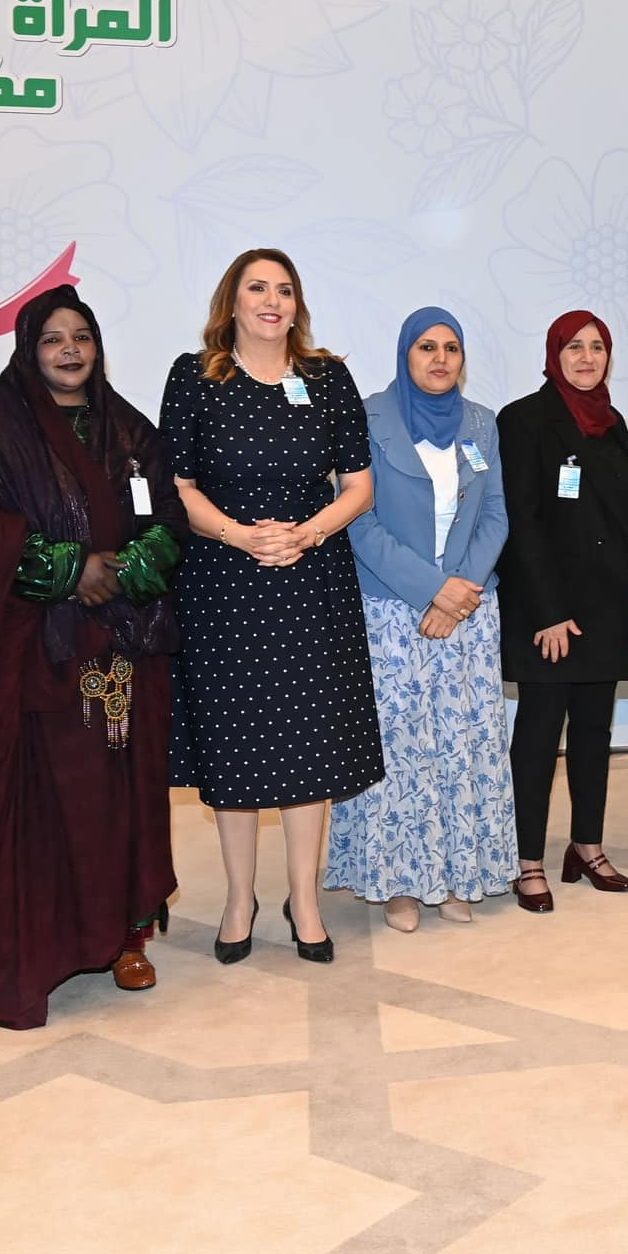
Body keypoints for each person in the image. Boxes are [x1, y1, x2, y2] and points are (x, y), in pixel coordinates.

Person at [0, 286, 183, 1026]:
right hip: (38, 661)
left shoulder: (129, 430)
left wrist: (125, 570)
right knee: (52, 805)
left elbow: (170, 520)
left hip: (124, 653)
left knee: (123, 801)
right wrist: (70, 569)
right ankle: (46, 949)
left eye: (82, 336)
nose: (70, 349)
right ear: (29, 351)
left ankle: (127, 941)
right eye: (53, 338)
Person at [162, 249, 382, 966]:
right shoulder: (195, 377)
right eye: (257, 288)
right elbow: (179, 487)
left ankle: (304, 899)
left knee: (310, 743)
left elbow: (358, 487)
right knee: (235, 745)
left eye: (285, 290)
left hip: (311, 580)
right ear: (232, 301)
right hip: (223, 582)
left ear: (297, 305)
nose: (272, 301)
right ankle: (239, 899)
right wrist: (238, 534)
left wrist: (307, 533)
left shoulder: (327, 378)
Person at [328, 308, 516, 930]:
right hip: (391, 610)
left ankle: (460, 873)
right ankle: (399, 884)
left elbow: (496, 514)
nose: (440, 359)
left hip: (469, 612)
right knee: (399, 749)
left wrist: (459, 593)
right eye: (426, 347)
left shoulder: (481, 423)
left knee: (463, 746)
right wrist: (432, 590)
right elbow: (358, 519)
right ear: (405, 354)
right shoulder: (367, 417)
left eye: (451, 348)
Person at [498, 310, 628, 908]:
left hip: (605, 610)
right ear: (554, 354)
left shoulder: (611, 422)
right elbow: (522, 522)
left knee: (595, 733)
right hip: (550, 614)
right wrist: (548, 611)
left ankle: (587, 847)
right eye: (574, 346)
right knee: (539, 736)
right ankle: (526, 860)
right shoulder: (524, 419)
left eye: (597, 347)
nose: (587, 357)